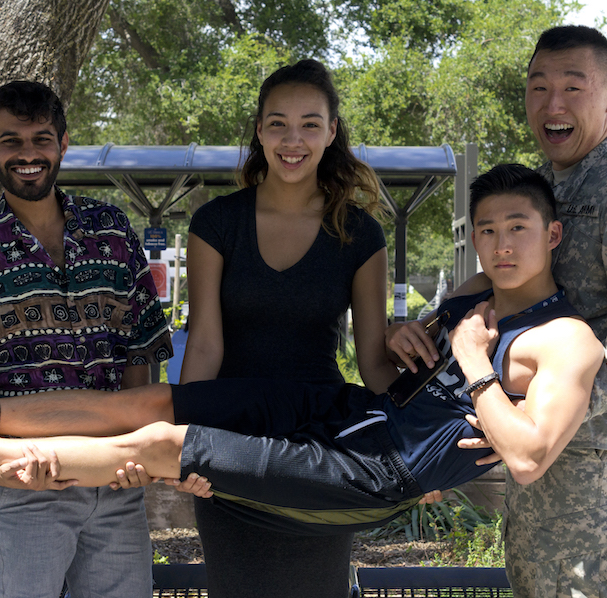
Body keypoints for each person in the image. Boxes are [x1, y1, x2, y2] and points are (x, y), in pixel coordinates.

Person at [0, 163, 603, 541]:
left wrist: (474, 365)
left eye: (519, 228)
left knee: (163, 441)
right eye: (488, 230)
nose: (502, 245)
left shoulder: (566, 341)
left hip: (375, 472)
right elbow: (413, 349)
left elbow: (532, 458)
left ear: (553, 237)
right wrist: (408, 336)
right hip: (352, 410)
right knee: (150, 398)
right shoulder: (483, 288)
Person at [388, 26, 607, 598]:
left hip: (589, 447)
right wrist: (432, 326)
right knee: (533, 578)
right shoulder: (552, 184)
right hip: (541, 434)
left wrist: (547, 413)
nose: (553, 105)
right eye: (539, 87)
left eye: (572, 88)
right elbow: (503, 281)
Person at [0, 81, 174, 598]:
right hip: (28, 482)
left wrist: (137, 452)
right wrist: (2, 463)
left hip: (114, 474)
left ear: (63, 142)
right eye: (12, 141)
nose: (28, 154)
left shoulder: (111, 231)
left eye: (41, 139)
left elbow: (139, 350)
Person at [179, 59, 400, 597]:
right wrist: (183, 439)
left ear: (331, 131)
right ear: (259, 131)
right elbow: (205, 343)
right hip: (230, 435)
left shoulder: (360, 234)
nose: (292, 139)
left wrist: (413, 439)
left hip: (318, 443)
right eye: (277, 123)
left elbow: (373, 362)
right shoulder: (216, 224)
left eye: (309, 123)